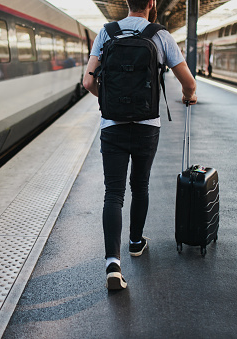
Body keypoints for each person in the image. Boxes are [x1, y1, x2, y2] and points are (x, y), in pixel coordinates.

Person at [83, 0, 197, 290]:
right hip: (147, 126)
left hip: (112, 125)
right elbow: (189, 82)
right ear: (151, 3)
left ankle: (112, 263)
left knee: (114, 192)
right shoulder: (160, 35)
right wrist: (189, 95)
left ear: (126, 2)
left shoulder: (106, 33)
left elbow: (87, 82)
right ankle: (136, 242)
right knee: (140, 186)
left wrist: (107, 99)